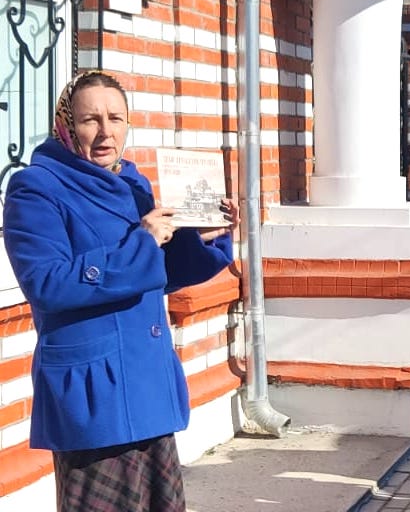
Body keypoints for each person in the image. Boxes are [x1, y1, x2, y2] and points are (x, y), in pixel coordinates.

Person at [2, 71, 238, 512]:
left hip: (147, 382)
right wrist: (142, 244)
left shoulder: (133, 184)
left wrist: (201, 236)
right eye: (89, 119)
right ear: (65, 125)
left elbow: (155, 273)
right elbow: (47, 283)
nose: (105, 132)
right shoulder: (35, 187)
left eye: (116, 118)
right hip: (94, 392)